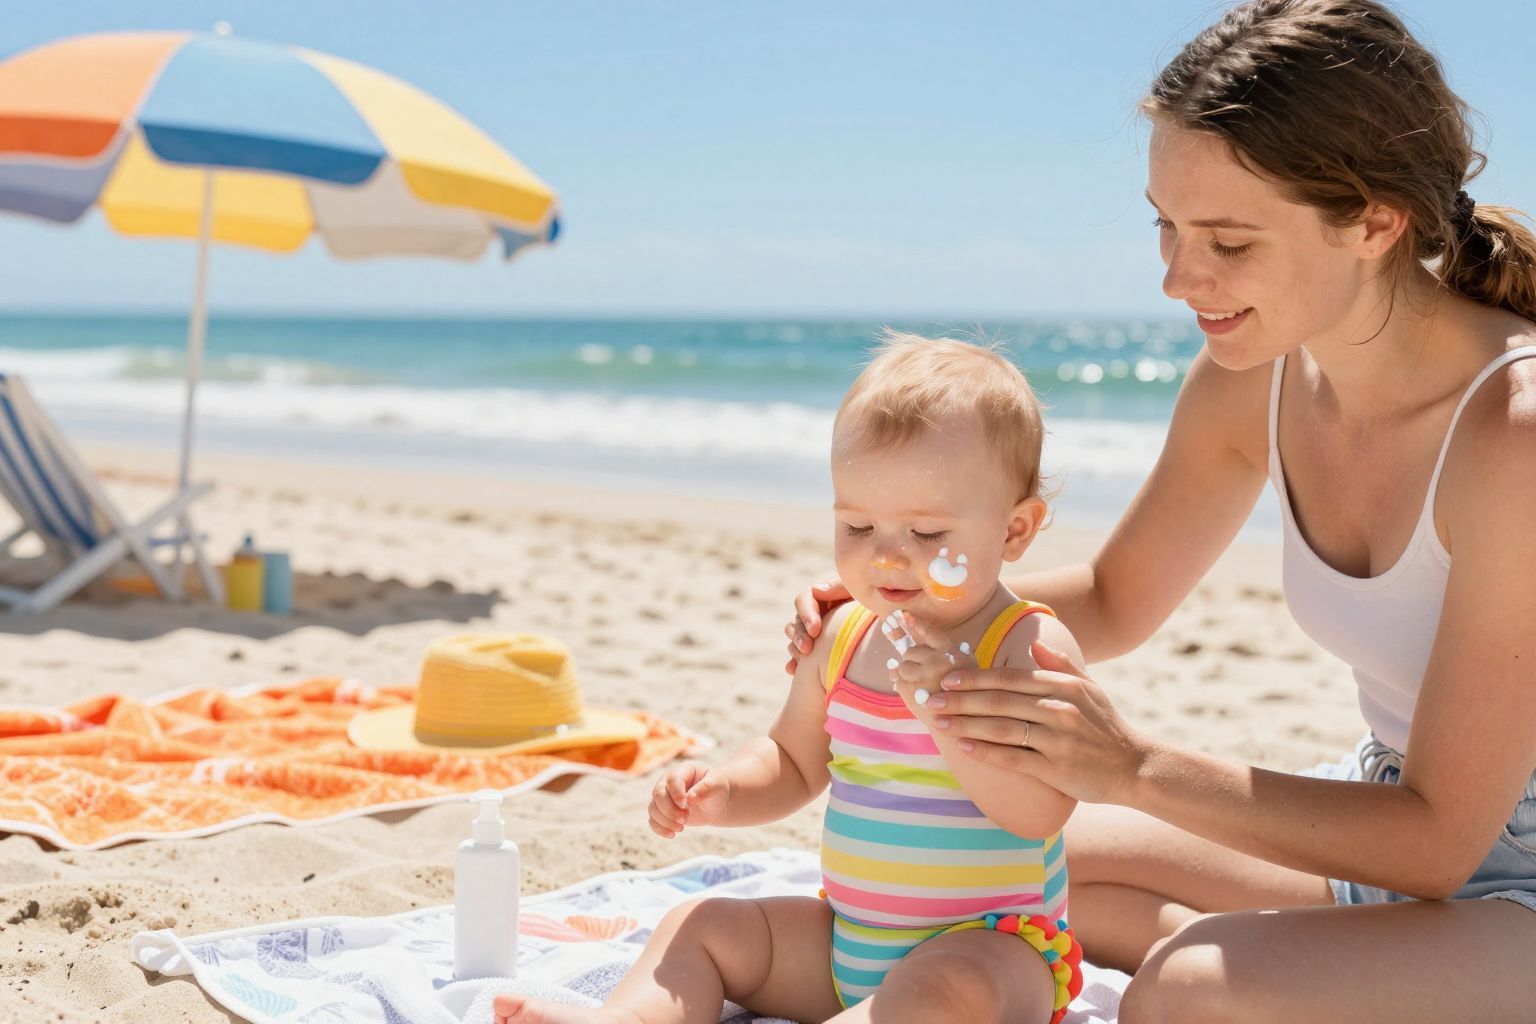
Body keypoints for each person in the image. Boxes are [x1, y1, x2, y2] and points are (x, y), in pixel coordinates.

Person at [784, 1, 1536, 1019]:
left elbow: (1442, 837)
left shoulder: (1513, 436)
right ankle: (1323, 965)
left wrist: (1132, 765)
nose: (1180, 278)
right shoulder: (1256, 372)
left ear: (1374, 220)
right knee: (1027, 862)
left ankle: (1286, 965)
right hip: (1385, 818)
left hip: (1490, 873)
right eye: (1167, 226)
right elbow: (1115, 593)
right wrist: (904, 601)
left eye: (1227, 240)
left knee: (1187, 991)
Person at [495, 334, 1087, 1024]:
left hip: (992, 954)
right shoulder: (844, 638)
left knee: (931, 1000)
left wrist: (946, 716)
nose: (887, 555)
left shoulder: (1025, 646)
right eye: (858, 525)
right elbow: (793, 758)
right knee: (703, 924)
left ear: (1015, 532)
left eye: (927, 533)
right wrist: (725, 791)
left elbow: (1041, 811)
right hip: (847, 944)